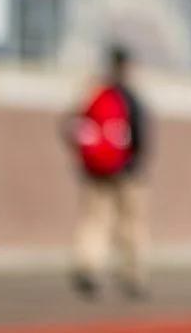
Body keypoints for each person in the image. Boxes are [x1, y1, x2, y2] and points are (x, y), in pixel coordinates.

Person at [66, 44, 149, 299]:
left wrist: (85, 157)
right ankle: (131, 274)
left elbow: (71, 126)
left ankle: (88, 266)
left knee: (94, 220)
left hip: (95, 171)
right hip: (128, 173)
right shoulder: (131, 98)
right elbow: (141, 138)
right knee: (131, 223)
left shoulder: (93, 94)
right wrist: (135, 164)